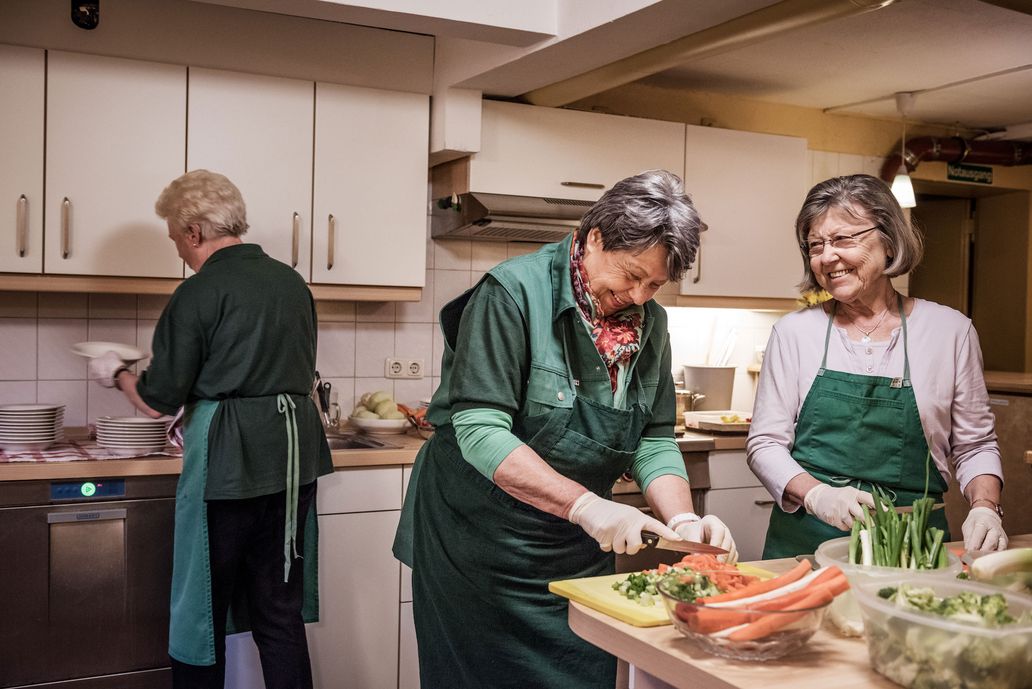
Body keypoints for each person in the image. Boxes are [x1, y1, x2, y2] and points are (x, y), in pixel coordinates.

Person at [392, 170, 738, 689]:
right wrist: (588, 506)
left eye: (656, 284)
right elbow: (482, 430)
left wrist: (684, 520)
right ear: (594, 237)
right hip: (480, 544)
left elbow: (653, 436)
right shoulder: (511, 293)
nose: (640, 296)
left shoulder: (652, 323)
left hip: (576, 546)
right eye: (630, 275)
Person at [87, 169, 332, 689]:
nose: (178, 247)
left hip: (228, 463)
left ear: (194, 231)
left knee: (202, 609)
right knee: (278, 613)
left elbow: (158, 399)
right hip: (292, 461)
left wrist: (118, 372)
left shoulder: (198, 291)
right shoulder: (292, 282)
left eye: (176, 236)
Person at [747, 173, 1007, 559]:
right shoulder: (794, 333)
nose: (826, 256)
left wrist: (985, 506)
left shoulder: (950, 332)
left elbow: (975, 445)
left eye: (843, 239)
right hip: (807, 543)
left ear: (888, 239)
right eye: (815, 244)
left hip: (913, 543)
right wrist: (817, 495)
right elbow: (765, 444)